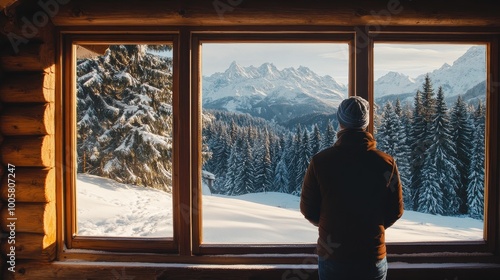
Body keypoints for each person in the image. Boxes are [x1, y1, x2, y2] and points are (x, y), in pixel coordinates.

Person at [300, 96, 403, 280]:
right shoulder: (386, 163)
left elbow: (308, 209)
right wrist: (369, 227)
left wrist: (331, 225)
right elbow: (395, 210)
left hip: (333, 257)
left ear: (340, 123)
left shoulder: (321, 162)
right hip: (372, 256)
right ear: (366, 123)